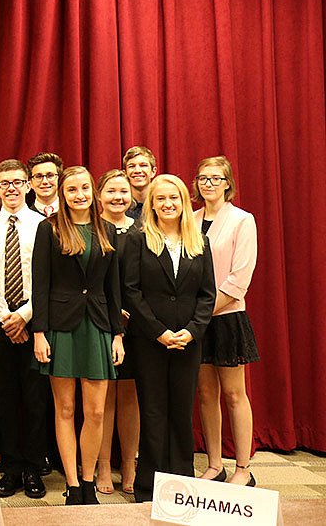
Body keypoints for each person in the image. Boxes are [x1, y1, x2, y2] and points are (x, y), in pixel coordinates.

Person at [32, 167, 124, 505]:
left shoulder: (108, 230)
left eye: (85, 187)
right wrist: (39, 333)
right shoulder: (49, 228)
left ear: (93, 191)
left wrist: (118, 334)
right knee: (66, 409)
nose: (80, 194)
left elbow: (113, 288)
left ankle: (89, 481)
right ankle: (72, 486)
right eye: (72, 189)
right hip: (60, 328)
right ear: (62, 193)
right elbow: (40, 285)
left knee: (97, 412)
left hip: (98, 326)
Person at [123, 174, 215, 503]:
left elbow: (207, 295)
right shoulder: (137, 239)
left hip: (188, 340)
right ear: (151, 204)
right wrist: (158, 332)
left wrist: (191, 331)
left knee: (180, 411)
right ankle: (149, 487)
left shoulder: (199, 241)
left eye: (173, 198)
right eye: (160, 198)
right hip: (150, 340)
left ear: (184, 201)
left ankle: (181, 486)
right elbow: (130, 291)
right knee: (153, 411)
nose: (168, 204)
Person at [0, 159, 50, 499]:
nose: (11, 188)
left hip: (37, 324)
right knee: (3, 399)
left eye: (18, 182)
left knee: (36, 399)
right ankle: (12, 468)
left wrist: (25, 316)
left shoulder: (44, 226)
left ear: (29, 185)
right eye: (4, 182)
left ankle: (34, 468)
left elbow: (46, 280)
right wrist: (7, 317)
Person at [193, 157, 259, 487]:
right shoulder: (188, 220)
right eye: (203, 178)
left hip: (226, 317)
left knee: (234, 395)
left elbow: (238, 280)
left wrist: (200, 314)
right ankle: (215, 464)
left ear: (228, 183)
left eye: (215, 178)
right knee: (206, 395)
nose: (208, 184)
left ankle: (243, 468)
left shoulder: (241, 220)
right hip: (196, 321)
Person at [94, 170, 140, 495]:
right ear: (100, 196)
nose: (118, 197)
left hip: (137, 324)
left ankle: (129, 463)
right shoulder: (93, 230)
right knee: (103, 398)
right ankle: (101, 467)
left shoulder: (143, 230)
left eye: (123, 191)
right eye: (111, 191)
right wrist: (113, 313)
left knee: (130, 397)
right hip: (101, 321)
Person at [122, 146, 157, 220]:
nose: (137, 170)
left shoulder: (161, 205)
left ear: (153, 172)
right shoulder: (120, 207)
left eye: (143, 165)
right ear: (125, 173)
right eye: (131, 166)